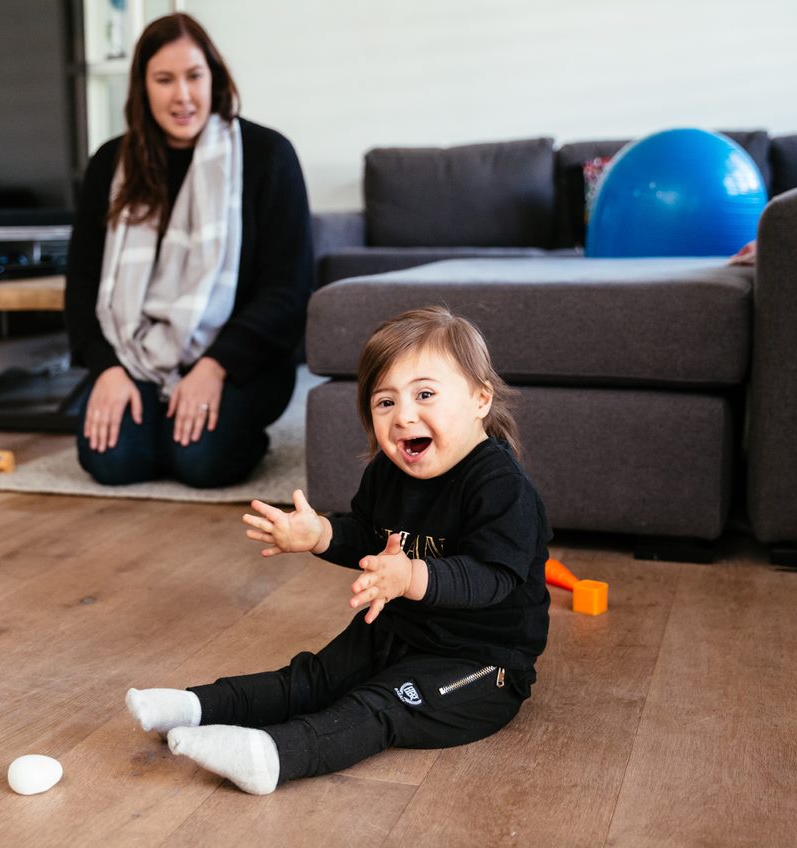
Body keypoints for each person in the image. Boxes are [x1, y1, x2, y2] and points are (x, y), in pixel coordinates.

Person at [124, 306, 552, 794]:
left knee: (381, 705)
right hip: (397, 632)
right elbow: (369, 538)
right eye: (384, 402)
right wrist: (322, 536)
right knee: (309, 679)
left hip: (480, 662)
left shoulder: (500, 486)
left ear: (480, 399)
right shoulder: (389, 473)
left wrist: (410, 578)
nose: (404, 415)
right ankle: (193, 706)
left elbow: (491, 577)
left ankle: (272, 756)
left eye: (425, 394)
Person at [63, 13, 313, 488]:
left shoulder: (268, 155)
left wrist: (215, 365)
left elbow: (289, 290)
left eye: (194, 76)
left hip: (242, 358)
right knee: (111, 462)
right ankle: (159, 425)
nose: (182, 95)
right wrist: (108, 370)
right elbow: (81, 285)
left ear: (213, 78)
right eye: (164, 79)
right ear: (142, 88)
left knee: (201, 461)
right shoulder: (110, 163)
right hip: (135, 353)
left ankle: (209, 433)